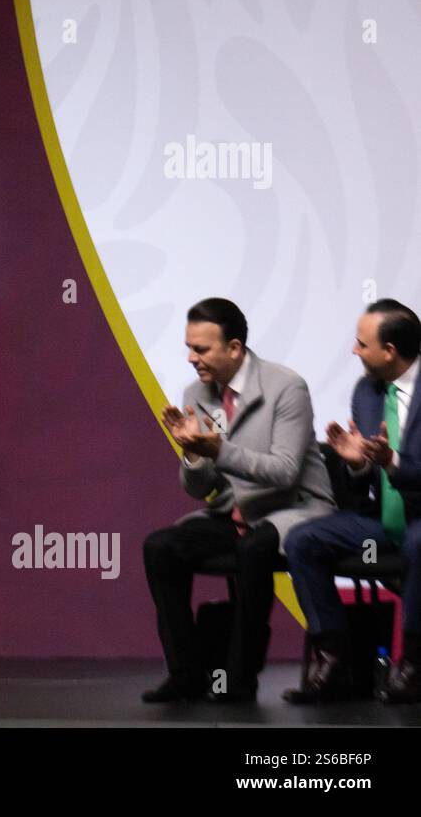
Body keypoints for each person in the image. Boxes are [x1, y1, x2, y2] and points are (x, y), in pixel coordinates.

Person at [142, 298, 335, 703]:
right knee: (161, 547)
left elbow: (284, 471)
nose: (191, 358)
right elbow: (199, 488)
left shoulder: (286, 387)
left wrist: (218, 450)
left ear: (234, 348)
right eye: (189, 347)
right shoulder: (197, 392)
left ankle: (238, 679)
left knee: (253, 550)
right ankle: (187, 673)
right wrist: (194, 454)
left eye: (201, 348)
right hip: (235, 512)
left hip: (294, 510)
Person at [283, 299, 421, 704]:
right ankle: (335, 659)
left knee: (418, 544)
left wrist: (391, 461)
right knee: (303, 541)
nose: (354, 351)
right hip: (381, 520)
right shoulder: (366, 391)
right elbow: (364, 475)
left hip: (419, 521)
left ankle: (412, 664)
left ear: (390, 351)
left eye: (362, 344)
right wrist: (358, 464)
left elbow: (395, 461)